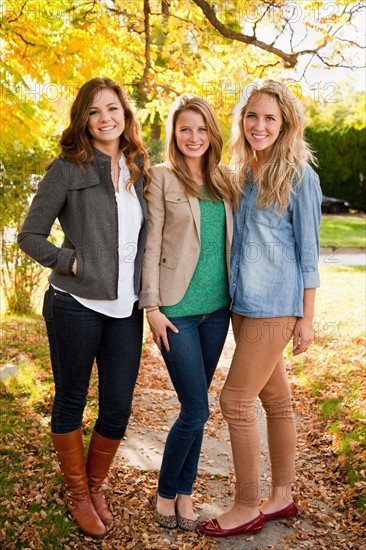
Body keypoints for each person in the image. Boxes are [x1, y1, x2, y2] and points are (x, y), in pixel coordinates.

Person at [18, 77, 149, 539]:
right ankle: (78, 494)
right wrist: (69, 259)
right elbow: (29, 235)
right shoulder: (66, 169)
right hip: (74, 303)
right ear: (83, 119)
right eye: (95, 112)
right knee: (72, 398)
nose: (105, 118)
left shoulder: (139, 168)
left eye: (112, 109)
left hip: (125, 307)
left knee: (117, 404)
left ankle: (95, 487)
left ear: (125, 114)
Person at [196, 79, 322, 538]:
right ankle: (282, 496)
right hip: (242, 307)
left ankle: (248, 504)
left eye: (270, 117)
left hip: (275, 307)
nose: (260, 125)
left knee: (235, 401)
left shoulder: (300, 176)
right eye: (252, 116)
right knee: (276, 401)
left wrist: (306, 319)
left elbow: (309, 251)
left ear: (285, 123)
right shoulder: (240, 172)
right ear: (241, 120)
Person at [139, 94, 238, 531]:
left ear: (211, 133)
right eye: (185, 129)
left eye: (201, 129)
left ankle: (185, 493)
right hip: (176, 311)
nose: (193, 137)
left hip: (217, 312)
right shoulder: (160, 177)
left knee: (194, 406)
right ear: (174, 135)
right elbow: (152, 242)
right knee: (196, 408)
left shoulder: (226, 179)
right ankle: (165, 491)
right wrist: (152, 307)